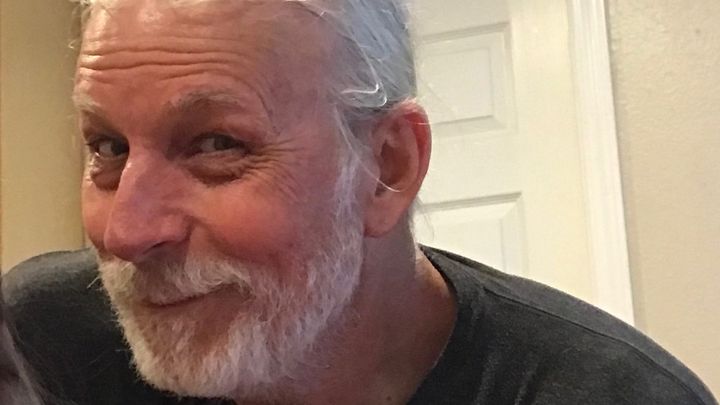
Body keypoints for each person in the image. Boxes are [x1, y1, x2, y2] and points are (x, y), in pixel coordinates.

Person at [2, 0, 718, 404]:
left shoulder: (616, 395)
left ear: (387, 166)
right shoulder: (51, 336)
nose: (126, 231)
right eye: (107, 147)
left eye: (217, 144)